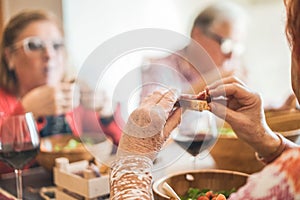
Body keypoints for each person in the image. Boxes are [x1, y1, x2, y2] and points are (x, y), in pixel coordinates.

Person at [110, 0, 300, 198]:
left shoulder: (279, 183)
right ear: (198, 35)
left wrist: (131, 161)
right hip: (168, 168)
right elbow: (152, 111)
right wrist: (267, 140)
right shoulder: (159, 67)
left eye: (237, 46)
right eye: (226, 44)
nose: (232, 54)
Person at [0, 10, 122, 174]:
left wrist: (108, 114)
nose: (49, 54)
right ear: (9, 58)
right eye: (34, 45)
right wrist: (24, 112)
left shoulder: (76, 97)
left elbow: (124, 150)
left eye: (57, 45)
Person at [141, 0, 248, 97]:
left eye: (235, 47)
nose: (231, 56)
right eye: (226, 44)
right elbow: (152, 115)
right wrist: (210, 82)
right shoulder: (160, 69)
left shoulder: (232, 69)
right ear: (197, 35)